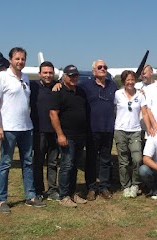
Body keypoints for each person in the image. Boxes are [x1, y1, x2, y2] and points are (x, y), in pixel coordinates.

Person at [0, 47, 46, 214]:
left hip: (26, 128)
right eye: (17, 59)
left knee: (28, 163)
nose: (20, 62)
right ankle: (2, 199)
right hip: (8, 128)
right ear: (10, 60)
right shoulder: (2, 77)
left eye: (22, 59)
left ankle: (31, 196)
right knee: (5, 164)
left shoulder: (26, 78)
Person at [50, 65, 88, 207]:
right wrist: (60, 135)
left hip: (80, 135)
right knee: (66, 165)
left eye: (76, 75)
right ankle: (63, 195)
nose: (73, 78)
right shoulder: (58, 92)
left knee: (75, 165)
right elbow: (53, 114)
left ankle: (72, 193)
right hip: (67, 135)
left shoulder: (81, 92)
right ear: (64, 76)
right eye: (70, 76)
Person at [79, 60, 117, 201]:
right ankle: (91, 187)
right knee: (91, 159)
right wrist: (58, 83)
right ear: (94, 71)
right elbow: (71, 87)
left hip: (108, 128)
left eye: (105, 67)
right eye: (100, 67)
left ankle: (104, 187)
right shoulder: (85, 85)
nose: (103, 69)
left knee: (106, 159)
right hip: (92, 128)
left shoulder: (112, 85)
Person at [114, 70, 153, 198]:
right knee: (123, 161)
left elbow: (145, 112)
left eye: (132, 80)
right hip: (120, 130)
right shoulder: (118, 94)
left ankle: (135, 184)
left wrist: (149, 128)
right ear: (123, 82)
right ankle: (125, 185)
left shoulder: (140, 95)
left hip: (135, 131)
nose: (130, 82)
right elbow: (113, 110)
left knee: (137, 159)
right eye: (127, 80)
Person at [30, 61, 59, 201]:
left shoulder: (58, 87)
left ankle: (53, 189)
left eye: (50, 73)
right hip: (39, 130)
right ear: (39, 74)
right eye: (45, 73)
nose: (48, 75)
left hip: (54, 131)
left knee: (53, 163)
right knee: (38, 162)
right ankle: (39, 190)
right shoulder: (33, 86)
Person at [135, 64, 154, 149]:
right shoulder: (136, 86)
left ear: (151, 73)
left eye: (145, 73)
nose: (143, 75)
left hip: (153, 125)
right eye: (141, 73)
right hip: (139, 126)